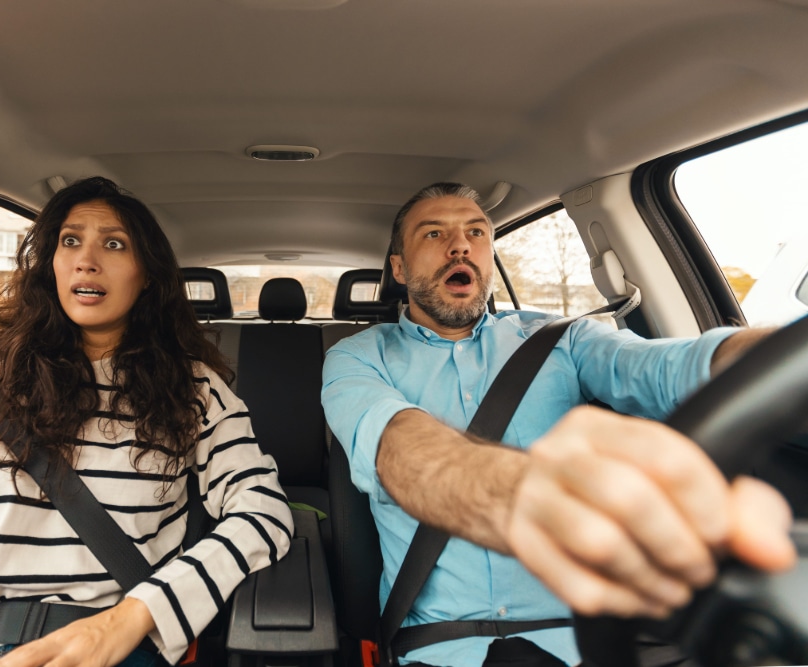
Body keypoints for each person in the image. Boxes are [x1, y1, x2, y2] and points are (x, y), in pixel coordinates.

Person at [0, 177, 293, 667]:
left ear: (146, 275)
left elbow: (262, 512)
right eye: (70, 240)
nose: (86, 258)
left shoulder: (196, 390)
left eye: (114, 243)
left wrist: (134, 616)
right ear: (52, 266)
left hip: (108, 645)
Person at [320, 182, 795, 667]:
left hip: (585, 643)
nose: (460, 245)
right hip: (439, 648)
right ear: (399, 268)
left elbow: (668, 366)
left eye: (476, 232)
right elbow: (398, 447)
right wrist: (528, 496)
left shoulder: (565, 339)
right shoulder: (357, 356)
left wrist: (776, 359)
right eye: (433, 233)